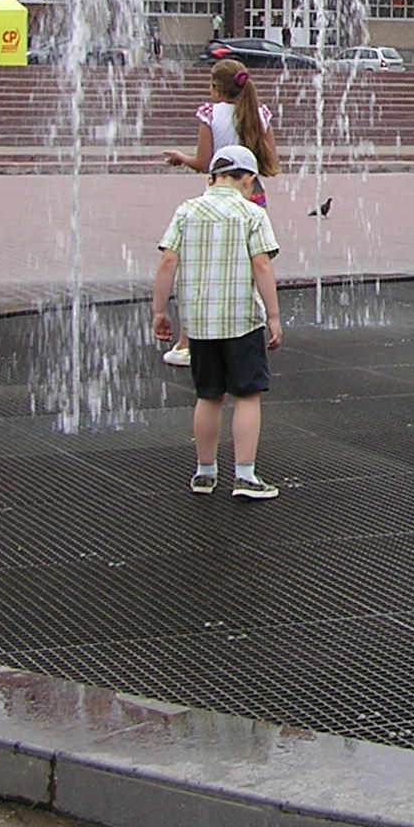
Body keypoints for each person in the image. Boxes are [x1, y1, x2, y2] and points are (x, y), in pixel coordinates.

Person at [151, 144, 283, 500]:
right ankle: (245, 476)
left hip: (199, 324)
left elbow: (167, 262)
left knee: (208, 395)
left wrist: (160, 311)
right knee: (246, 396)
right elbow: (262, 265)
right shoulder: (251, 214)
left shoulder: (187, 211)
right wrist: (273, 315)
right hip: (241, 320)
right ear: (249, 180)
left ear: (211, 178)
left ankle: (204, 472)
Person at [160, 59, 278, 366]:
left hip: (217, 198)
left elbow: (204, 162)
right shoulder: (260, 114)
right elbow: (271, 164)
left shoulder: (210, 114)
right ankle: (248, 329)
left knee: (205, 266)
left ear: (215, 88)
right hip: (253, 196)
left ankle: (188, 342)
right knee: (250, 266)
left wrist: (179, 158)